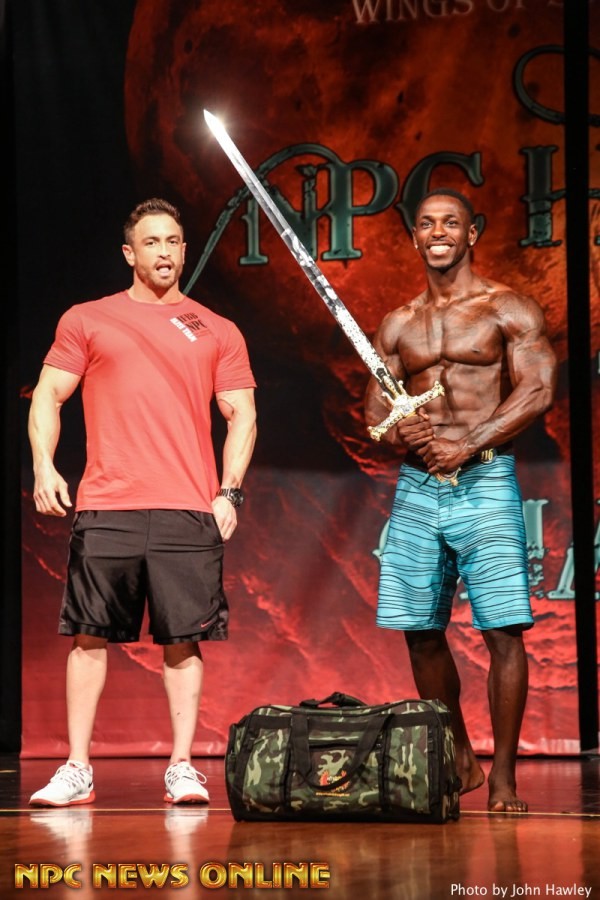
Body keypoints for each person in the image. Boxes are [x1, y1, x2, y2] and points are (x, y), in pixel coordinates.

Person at [28, 197, 257, 807]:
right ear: (130, 253)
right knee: (88, 635)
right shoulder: (87, 319)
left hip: (187, 505)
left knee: (184, 639)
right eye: (152, 242)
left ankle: (181, 765)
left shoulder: (217, 329)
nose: (164, 252)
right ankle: (77, 767)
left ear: (184, 250)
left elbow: (242, 413)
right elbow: (48, 394)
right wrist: (44, 465)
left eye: (174, 241)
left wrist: (229, 491)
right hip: (109, 503)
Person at [365, 188, 556, 813]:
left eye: (451, 222)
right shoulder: (398, 323)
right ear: (415, 237)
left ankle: (503, 779)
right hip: (419, 485)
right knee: (419, 630)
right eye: (427, 224)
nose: (439, 232)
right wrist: (401, 426)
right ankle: (460, 757)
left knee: (503, 629)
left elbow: (538, 390)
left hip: (485, 479)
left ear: (472, 233)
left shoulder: (507, 307)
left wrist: (467, 443)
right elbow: (375, 410)